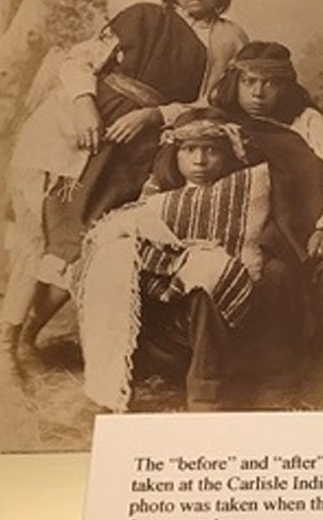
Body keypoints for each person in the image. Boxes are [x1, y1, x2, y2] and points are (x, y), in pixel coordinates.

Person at [0, 0, 248, 383]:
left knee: (91, 238)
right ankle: (3, 346)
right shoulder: (144, 16)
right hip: (82, 130)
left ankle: (30, 335)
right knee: (49, 231)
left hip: (141, 147)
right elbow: (79, 60)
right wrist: (86, 106)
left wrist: (152, 115)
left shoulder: (229, 38)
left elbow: (209, 104)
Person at [76, 108, 271, 412]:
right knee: (115, 261)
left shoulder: (249, 190)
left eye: (211, 151)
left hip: (220, 315)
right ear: (175, 155)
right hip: (165, 314)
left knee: (208, 274)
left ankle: (206, 392)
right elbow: (121, 227)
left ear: (229, 153)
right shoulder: (159, 196)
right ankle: (115, 384)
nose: (200, 161)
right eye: (189, 150)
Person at [210, 41, 323, 401]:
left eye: (270, 83)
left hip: (316, 230)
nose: (258, 92)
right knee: (273, 277)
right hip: (263, 238)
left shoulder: (308, 122)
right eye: (249, 81)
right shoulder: (225, 125)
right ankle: (277, 383)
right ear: (235, 82)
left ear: (285, 87)